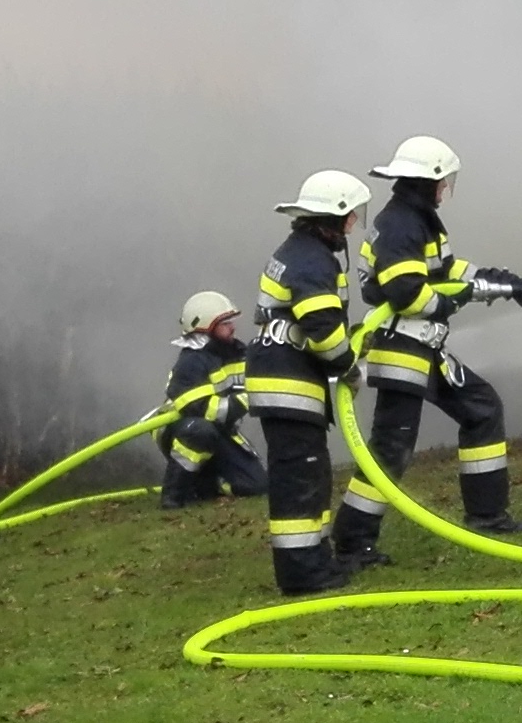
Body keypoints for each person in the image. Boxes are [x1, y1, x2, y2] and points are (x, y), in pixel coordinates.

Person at [341, 134, 522, 553]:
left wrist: (508, 283)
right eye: (443, 182)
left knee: (482, 409)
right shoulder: (402, 224)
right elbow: (406, 292)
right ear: (429, 181)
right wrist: (451, 299)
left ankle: (487, 515)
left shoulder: (416, 219)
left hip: (424, 348)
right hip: (402, 350)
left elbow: (447, 270)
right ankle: (353, 541)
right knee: (390, 450)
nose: (445, 189)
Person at [251, 170, 376, 594]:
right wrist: (348, 364)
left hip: (288, 381)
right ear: (334, 216)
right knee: (299, 481)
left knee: (313, 474)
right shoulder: (312, 260)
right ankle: (303, 576)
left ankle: (317, 563)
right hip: (287, 384)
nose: (354, 225)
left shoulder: (301, 252)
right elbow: (321, 327)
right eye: (351, 216)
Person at [156, 290, 264, 509]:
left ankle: (205, 486)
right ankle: (173, 495)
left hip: (219, 430)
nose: (233, 327)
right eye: (225, 323)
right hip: (184, 429)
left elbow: (258, 376)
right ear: (205, 326)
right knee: (201, 431)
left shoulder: (234, 353)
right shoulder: (192, 362)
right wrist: (248, 399)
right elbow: (203, 409)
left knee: (257, 485)